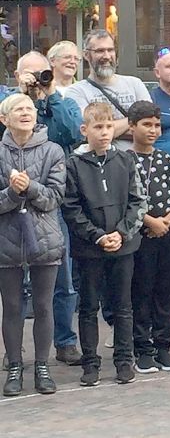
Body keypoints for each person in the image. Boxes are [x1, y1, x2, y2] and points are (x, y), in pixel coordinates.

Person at [63, 102, 147, 387]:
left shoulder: (125, 161)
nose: (105, 133)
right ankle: (90, 363)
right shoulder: (73, 165)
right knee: (88, 307)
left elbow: (137, 202)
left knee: (123, 305)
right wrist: (97, 235)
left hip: (123, 246)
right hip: (90, 249)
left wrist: (121, 234)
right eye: (98, 127)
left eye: (109, 126)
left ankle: (124, 360)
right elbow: (72, 209)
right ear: (85, 130)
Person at [6, 51, 83, 364]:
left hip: (51, 202)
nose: (38, 79)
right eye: (31, 74)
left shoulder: (60, 101)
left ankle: (64, 341)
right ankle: (15, 349)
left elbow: (71, 133)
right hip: (12, 206)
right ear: (17, 75)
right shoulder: (9, 104)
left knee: (60, 277)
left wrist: (49, 95)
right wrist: (19, 96)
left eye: (43, 73)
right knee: (13, 284)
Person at [0, 94, 66, 396]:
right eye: (18, 109)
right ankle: (15, 366)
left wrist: (30, 187)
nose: (25, 113)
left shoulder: (53, 150)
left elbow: (54, 197)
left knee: (43, 305)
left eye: (29, 108)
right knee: (12, 307)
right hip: (6, 240)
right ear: (5, 118)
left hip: (44, 238)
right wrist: (12, 194)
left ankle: (42, 366)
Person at [126, 102, 170, 375]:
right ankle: (142, 347)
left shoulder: (166, 159)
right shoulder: (123, 160)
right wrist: (149, 221)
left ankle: (163, 345)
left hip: (167, 233)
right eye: (146, 124)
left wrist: (169, 220)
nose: (153, 130)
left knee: (166, 290)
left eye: (157, 125)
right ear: (132, 126)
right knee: (142, 290)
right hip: (140, 236)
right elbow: (123, 198)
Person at [64, 29, 151, 152]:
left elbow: (150, 126)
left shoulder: (135, 84)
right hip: (100, 163)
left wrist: (108, 128)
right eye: (100, 51)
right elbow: (88, 132)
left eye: (110, 50)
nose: (107, 56)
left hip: (140, 161)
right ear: (86, 55)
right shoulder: (76, 91)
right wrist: (136, 119)